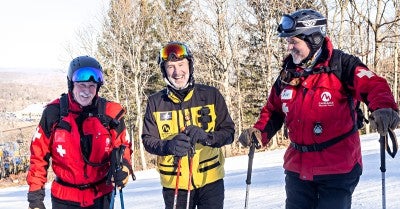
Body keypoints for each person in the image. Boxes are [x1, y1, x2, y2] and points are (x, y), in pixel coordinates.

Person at [238, 9, 400, 209]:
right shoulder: (287, 74)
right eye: (288, 42)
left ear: (313, 39)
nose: (289, 47)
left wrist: (384, 108)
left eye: (294, 42)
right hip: (298, 169)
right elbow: (274, 110)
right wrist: (259, 132)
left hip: (337, 168)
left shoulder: (342, 65)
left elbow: (374, 84)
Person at [26, 56, 134, 209]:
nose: (87, 91)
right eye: (81, 85)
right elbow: (38, 156)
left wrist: (123, 166)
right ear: (71, 84)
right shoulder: (54, 114)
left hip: (101, 196)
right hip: (65, 198)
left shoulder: (110, 113)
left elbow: (124, 144)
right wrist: (35, 197)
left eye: (91, 86)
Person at [142, 41, 235, 209]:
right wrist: (168, 146)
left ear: (190, 65)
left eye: (181, 64)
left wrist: (207, 137)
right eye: (171, 66)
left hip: (210, 180)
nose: (177, 72)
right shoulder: (155, 102)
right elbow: (148, 140)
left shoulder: (210, 95)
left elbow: (229, 133)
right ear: (164, 70)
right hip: (174, 183)